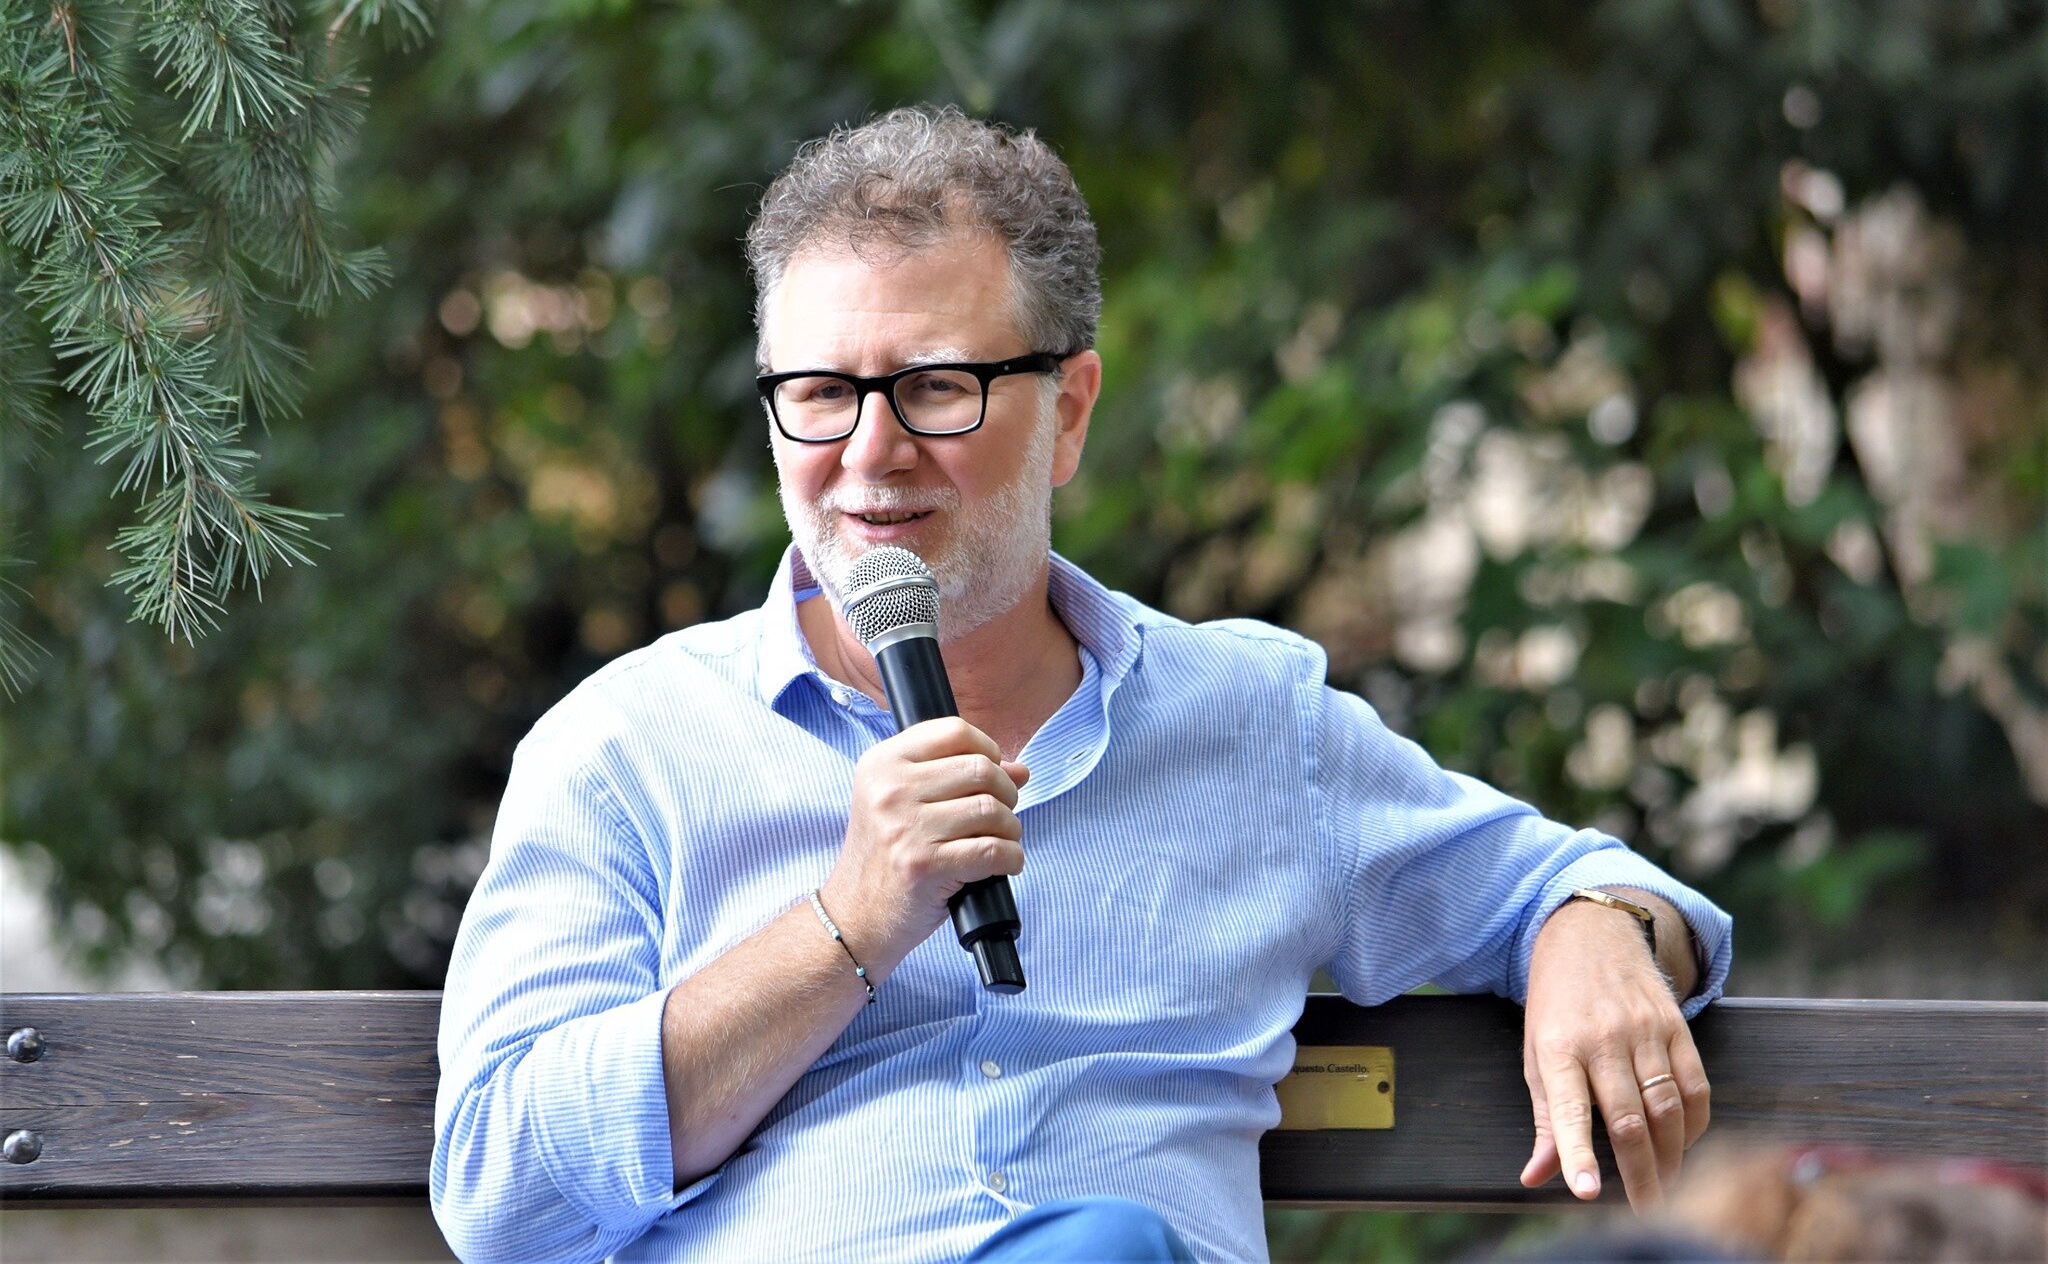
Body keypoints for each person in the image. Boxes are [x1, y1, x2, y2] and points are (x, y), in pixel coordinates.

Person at [431, 106, 1734, 1263]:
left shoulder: (1251, 723)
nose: (870, 452)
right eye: (821, 393)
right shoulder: (626, 745)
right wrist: (854, 917)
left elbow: (1572, 881)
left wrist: (1591, 930)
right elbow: (501, 1189)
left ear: (1072, 409)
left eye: (937, 386)